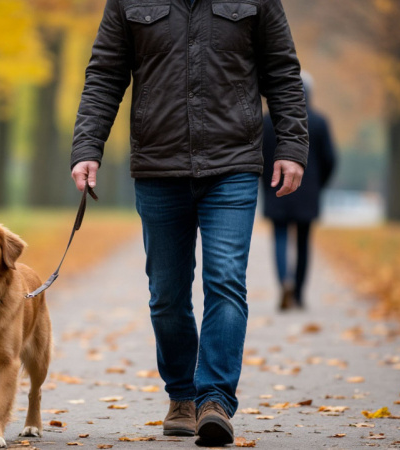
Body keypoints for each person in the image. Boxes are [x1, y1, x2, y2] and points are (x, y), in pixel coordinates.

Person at [69, 0, 308, 446]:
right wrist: (87, 146)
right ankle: (181, 395)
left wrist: (292, 146)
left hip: (233, 164)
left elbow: (282, 71)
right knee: (167, 295)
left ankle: (214, 399)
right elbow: (104, 74)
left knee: (226, 281)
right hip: (158, 168)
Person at [261, 71, 336, 311]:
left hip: (276, 189)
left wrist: (266, 183)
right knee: (303, 242)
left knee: (280, 238)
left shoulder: (266, 121)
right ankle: (300, 294)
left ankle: (285, 281)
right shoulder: (319, 121)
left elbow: (258, 157)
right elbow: (330, 159)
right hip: (307, 191)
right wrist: (318, 185)